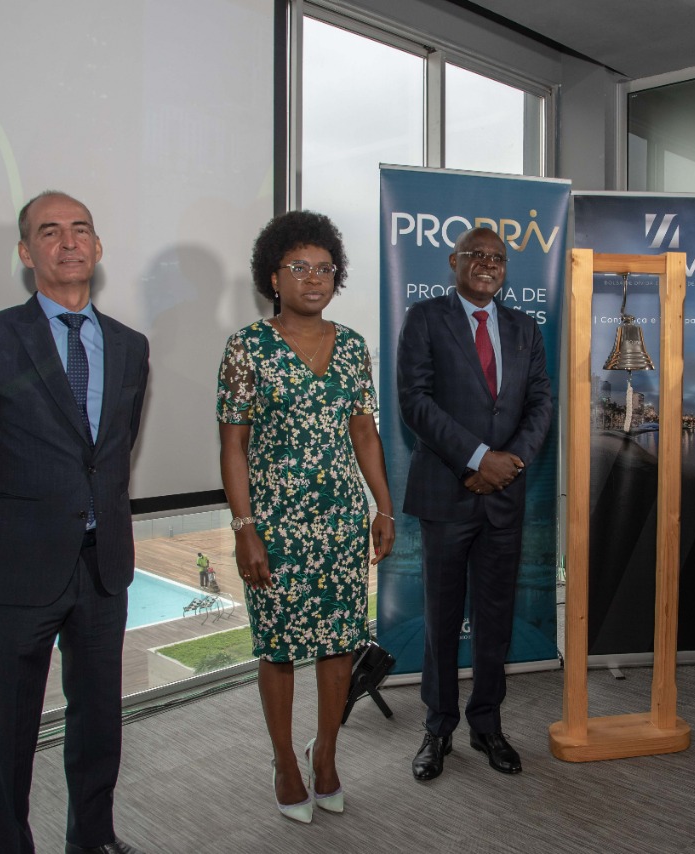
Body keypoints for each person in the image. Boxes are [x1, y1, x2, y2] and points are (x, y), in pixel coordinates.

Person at [0, 191, 149, 854]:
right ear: (27, 253)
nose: (69, 242)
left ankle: (93, 838)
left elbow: (113, 451)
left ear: (98, 246)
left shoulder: (131, 345)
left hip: (102, 567)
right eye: (49, 232)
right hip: (16, 571)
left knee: (98, 723)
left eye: (81, 229)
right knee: (10, 731)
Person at [218, 211, 395, 823]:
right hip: (274, 525)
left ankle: (326, 754)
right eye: (299, 267)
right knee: (277, 647)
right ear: (273, 277)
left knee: (339, 642)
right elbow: (233, 446)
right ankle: (284, 762)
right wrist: (245, 529)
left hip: (340, 520)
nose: (314, 278)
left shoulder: (353, 347)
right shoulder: (246, 348)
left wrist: (382, 505)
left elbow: (365, 433)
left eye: (325, 268)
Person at [397, 226, 553, 781]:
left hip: (504, 496)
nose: (488, 264)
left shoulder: (524, 328)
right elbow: (414, 402)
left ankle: (486, 724)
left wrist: (508, 462)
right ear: (454, 261)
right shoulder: (424, 319)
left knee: (494, 619)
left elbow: (541, 402)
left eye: (498, 258)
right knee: (442, 619)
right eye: (476, 255)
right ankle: (437, 728)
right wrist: (478, 458)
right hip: (446, 493)